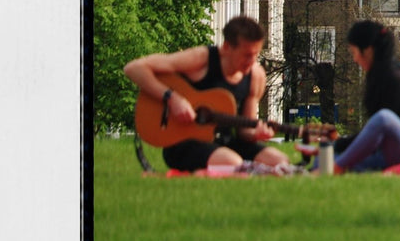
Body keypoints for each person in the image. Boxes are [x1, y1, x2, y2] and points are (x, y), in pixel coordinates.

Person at [124, 15, 291, 172]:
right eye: (246, 55)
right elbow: (134, 68)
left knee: (279, 161)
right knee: (232, 163)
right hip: (185, 143)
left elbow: (244, 132)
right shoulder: (202, 59)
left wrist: (256, 134)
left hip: (224, 142)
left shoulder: (256, 76)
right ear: (227, 47)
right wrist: (172, 98)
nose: (252, 61)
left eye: (256, 54)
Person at [332, 20, 400, 173]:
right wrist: (334, 146)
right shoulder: (379, 77)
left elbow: (381, 127)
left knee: (384, 118)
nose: (354, 60)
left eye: (354, 53)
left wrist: (339, 145)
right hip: (389, 154)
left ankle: (337, 167)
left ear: (368, 50)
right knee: (324, 159)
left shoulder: (393, 79)